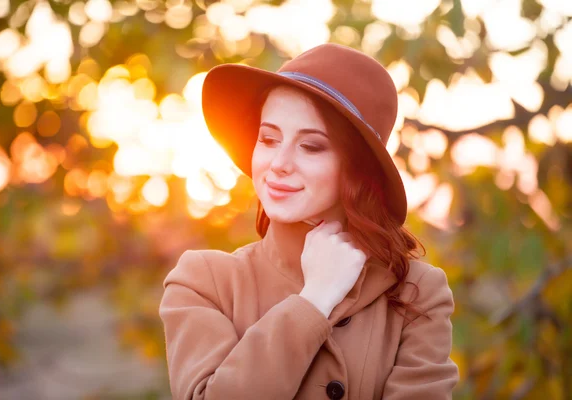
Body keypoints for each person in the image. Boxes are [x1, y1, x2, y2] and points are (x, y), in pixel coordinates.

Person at [159, 43, 459, 400]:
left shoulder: (416, 291)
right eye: (268, 139)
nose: (279, 163)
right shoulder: (204, 281)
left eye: (311, 146)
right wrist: (314, 301)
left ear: (357, 168)